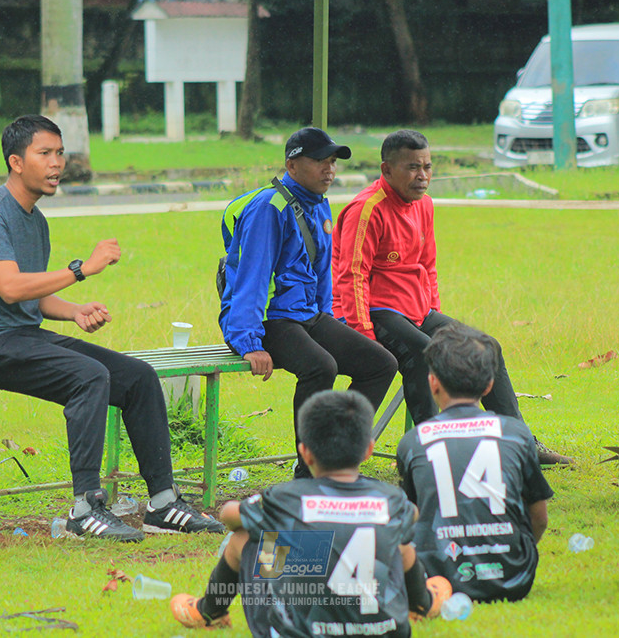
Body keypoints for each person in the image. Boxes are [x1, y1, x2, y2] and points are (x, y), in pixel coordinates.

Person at [0, 115, 223, 541]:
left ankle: (163, 504)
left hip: (21, 337)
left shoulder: (34, 220)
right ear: (16, 162)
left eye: (60, 153)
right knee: (89, 376)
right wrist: (80, 270)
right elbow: (8, 288)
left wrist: (73, 310)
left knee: (138, 378)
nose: (57, 163)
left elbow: (32, 296)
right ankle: (85, 508)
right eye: (45, 154)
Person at [331, 129, 571, 466]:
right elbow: (350, 275)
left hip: (417, 311)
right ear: (386, 170)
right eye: (413, 167)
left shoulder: (424, 204)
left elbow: (427, 265)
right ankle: (430, 454)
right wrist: (364, 335)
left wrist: (434, 314)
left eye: (428, 167)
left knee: (487, 346)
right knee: (423, 353)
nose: (423, 176)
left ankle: (521, 442)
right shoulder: (366, 209)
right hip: (374, 311)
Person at [170, 389, 451, 636]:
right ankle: (422, 602)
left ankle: (209, 611)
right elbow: (411, 514)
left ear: (305, 452)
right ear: (368, 450)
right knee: (398, 541)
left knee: (246, 536)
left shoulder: (286, 498)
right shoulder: (390, 498)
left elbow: (228, 515)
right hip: (385, 630)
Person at [218, 127, 398, 478]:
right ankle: (311, 471)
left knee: (380, 364)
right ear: (292, 165)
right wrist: (248, 342)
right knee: (321, 367)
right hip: (266, 319)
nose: (329, 169)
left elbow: (321, 273)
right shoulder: (269, 208)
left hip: (305, 315)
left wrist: (329, 320)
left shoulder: (318, 203)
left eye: (332, 162)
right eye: (319, 161)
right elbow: (251, 279)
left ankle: (339, 456)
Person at [396, 324, 551, 602]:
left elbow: (413, 517)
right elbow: (539, 517)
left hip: (437, 578)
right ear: (489, 385)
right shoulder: (517, 433)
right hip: (515, 577)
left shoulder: (414, 441)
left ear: (433, 382)